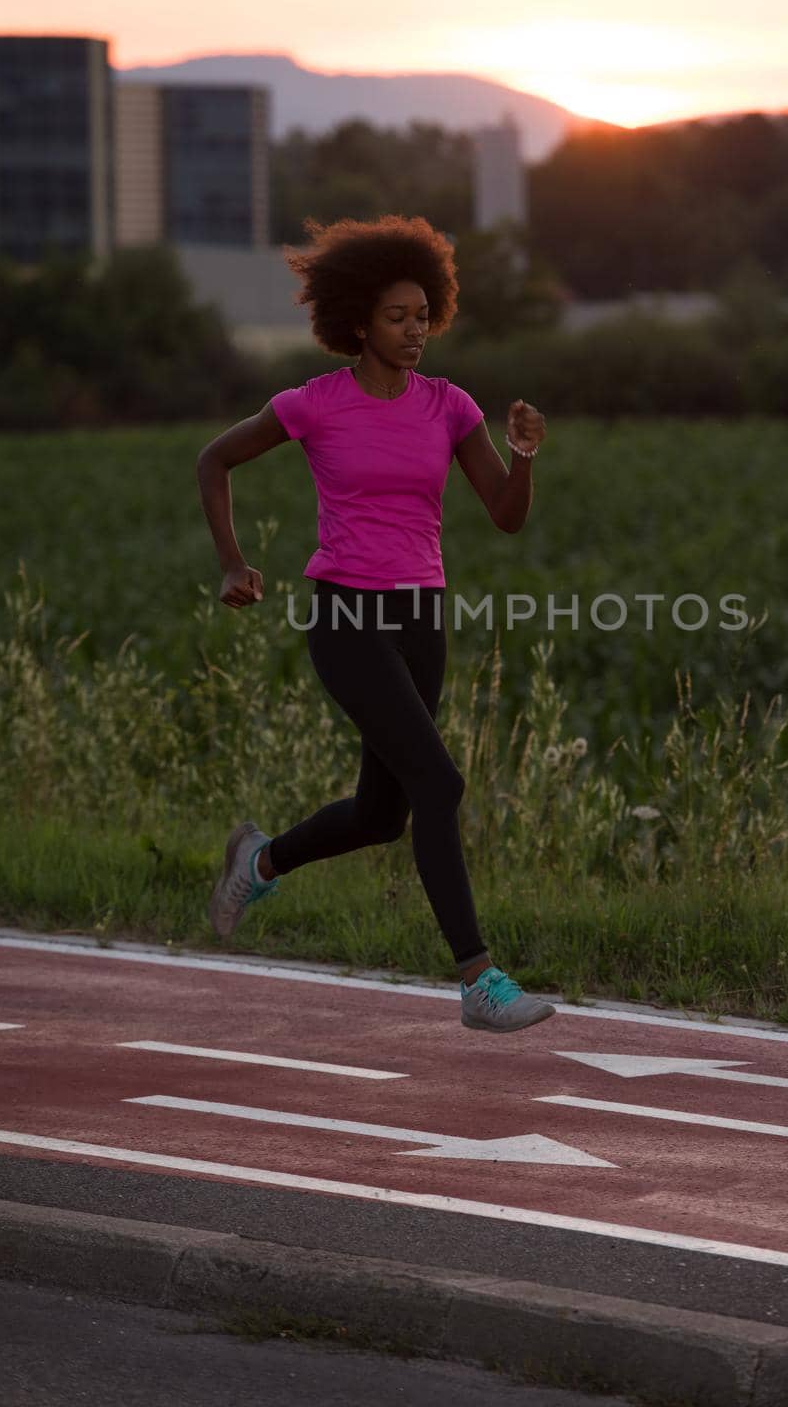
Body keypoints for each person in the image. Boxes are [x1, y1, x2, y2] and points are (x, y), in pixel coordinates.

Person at [196, 213, 555, 1033]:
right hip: (347, 618)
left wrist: (525, 455)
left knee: (381, 815)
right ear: (357, 320)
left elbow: (504, 515)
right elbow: (214, 459)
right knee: (440, 782)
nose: (415, 329)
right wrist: (231, 561)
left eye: (424, 314)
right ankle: (478, 981)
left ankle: (260, 859)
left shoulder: (450, 407)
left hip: (422, 616)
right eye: (398, 317)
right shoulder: (312, 405)